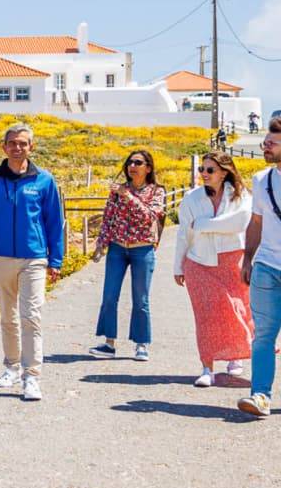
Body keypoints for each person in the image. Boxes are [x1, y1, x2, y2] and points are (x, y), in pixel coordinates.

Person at [0, 123, 65, 401]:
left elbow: (54, 222)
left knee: (30, 317)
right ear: (4, 146)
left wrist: (55, 259)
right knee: (8, 317)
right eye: (12, 143)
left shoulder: (45, 181)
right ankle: (11, 367)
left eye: (23, 143)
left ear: (31, 147)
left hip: (34, 257)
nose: (17, 147)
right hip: (0, 256)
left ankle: (31, 377)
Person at [174, 151, 252, 387]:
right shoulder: (191, 198)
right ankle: (207, 366)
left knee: (236, 309)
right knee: (206, 317)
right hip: (199, 262)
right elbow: (184, 233)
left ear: (224, 172)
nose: (204, 174)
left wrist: (203, 224)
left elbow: (239, 223)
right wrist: (178, 266)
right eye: (202, 169)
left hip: (232, 261)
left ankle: (236, 354)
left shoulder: (241, 196)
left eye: (210, 170)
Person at [88, 150, 166, 361]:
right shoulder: (117, 191)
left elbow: (149, 216)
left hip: (143, 248)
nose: (132, 166)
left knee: (141, 299)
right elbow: (108, 218)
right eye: (130, 162)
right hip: (117, 247)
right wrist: (101, 244)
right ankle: (109, 343)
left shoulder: (156, 191)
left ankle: (141, 344)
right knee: (109, 296)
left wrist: (128, 196)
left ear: (148, 168)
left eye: (138, 162)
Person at [239, 119, 281, 417]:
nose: (265, 146)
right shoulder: (260, 179)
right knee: (263, 334)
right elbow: (256, 222)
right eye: (265, 142)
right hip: (267, 266)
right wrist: (247, 258)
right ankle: (260, 395)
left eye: (272, 143)